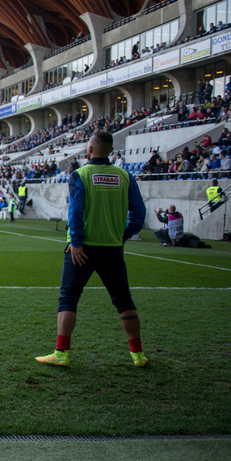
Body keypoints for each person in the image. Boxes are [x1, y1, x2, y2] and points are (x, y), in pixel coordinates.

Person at [36, 130, 147, 369]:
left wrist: (76, 242)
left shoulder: (81, 175)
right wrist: (123, 235)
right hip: (112, 248)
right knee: (124, 301)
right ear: (112, 151)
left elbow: (75, 211)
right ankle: (138, 355)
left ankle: (61, 353)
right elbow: (139, 213)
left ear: (89, 149)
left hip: (82, 249)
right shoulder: (125, 176)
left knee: (69, 298)